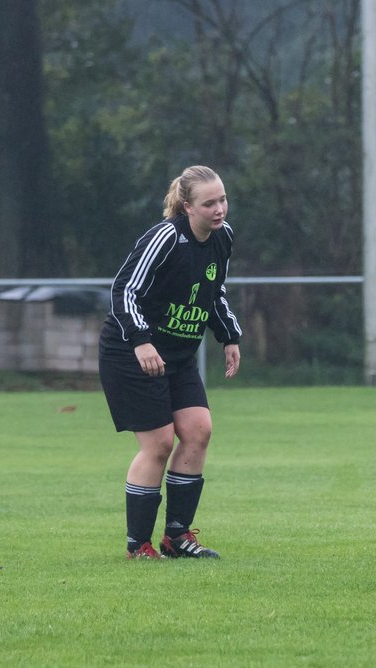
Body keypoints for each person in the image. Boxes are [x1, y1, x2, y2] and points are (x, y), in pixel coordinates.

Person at [99, 165, 243, 559]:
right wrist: (142, 342)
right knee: (159, 443)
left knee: (198, 430)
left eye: (223, 200)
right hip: (131, 353)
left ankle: (176, 538)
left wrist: (229, 336)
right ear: (186, 207)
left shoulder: (222, 238)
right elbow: (124, 289)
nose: (220, 210)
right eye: (209, 203)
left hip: (178, 356)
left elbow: (215, 293)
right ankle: (138, 544)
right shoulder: (166, 238)